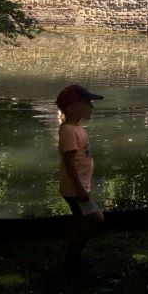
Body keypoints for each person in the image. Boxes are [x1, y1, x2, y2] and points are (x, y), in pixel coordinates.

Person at [55, 84, 105, 274]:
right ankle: (72, 256)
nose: (92, 107)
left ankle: (73, 255)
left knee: (81, 219)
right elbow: (69, 163)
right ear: (72, 108)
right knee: (95, 218)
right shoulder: (69, 131)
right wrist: (80, 189)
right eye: (88, 103)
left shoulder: (75, 128)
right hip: (75, 190)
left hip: (79, 187)